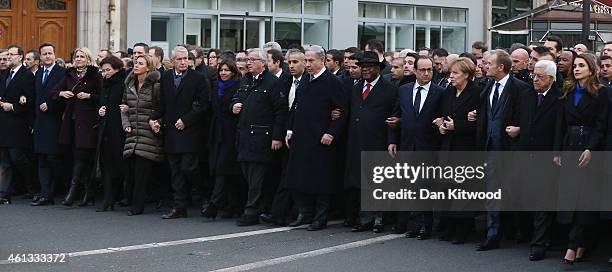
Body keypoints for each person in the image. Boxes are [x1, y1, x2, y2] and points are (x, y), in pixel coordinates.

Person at [470, 49, 530, 251]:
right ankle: (492, 233)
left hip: (510, 149)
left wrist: (520, 129)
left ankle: (518, 230)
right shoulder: (487, 87)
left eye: (489, 64)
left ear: (501, 67)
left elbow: (526, 117)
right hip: (490, 148)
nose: (485, 67)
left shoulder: (520, 88)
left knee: (514, 192)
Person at [285, 45, 348, 231]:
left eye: (311, 61)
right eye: (306, 61)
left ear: (322, 60)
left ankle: (320, 217)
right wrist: (290, 129)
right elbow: (295, 107)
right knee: (300, 178)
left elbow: (342, 111)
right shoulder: (305, 80)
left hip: (321, 140)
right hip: (302, 138)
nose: (308, 64)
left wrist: (331, 132)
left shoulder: (332, 82)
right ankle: (304, 213)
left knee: (321, 180)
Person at [553, 54, 608, 265]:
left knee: (585, 198)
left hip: (589, 146)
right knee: (571, 196)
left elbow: (602, 124)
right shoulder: (567, 91)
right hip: (570, 145)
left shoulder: (600, 92)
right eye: (575, 66)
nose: (576, 69)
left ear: (591, 69)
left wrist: (591, 148)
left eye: (581, 65)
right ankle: (582, 242)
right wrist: (558, 151)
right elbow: (561, 124)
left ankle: (573, 244)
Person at [149, 46, 210, 219]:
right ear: (173, 61)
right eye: (179, 59)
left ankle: (205, 195)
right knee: (175, 170)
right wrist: (153, 118)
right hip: (171, 131)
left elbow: (203, 104)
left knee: (189, 168)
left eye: (186, 59)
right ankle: (179, 206)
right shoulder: (166, 78)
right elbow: (163, 104)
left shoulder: (198, 78)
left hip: (190, 131)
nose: (183, 62)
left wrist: (186, 120)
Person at [511, 60, 562, 261]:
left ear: (551, 78)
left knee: (542, 202)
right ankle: (527, 234)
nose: (535, 79)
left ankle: (539, 244)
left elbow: (559, 128)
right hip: (525, 155)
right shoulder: (526, 96)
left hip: (546, 156)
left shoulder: (559, 98)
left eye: (540, 76)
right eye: (534, 75)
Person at [388, 55, 444, 239]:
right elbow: (394, 118)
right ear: (415, 71)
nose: (427, 73)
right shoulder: (403, 90)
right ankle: (412, 223)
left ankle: (425, 226)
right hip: (406, 144)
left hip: (428, 146)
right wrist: (392, 140)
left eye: (430, 70)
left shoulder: (439, 92)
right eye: (423, 70)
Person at [230, 48, 287, 226]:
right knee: (247, 174)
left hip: (261, 137)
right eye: (247, 60)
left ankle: (251, 211)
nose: (248, 63)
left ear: (263, 63)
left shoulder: (272, 83)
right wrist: (234, 106)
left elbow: (280, 111)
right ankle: (260, 206)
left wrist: (277, 137)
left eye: (252, 60)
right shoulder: (246, 80)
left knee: (256, 178)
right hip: (244, 136)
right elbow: (236, 98)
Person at [345, 51, 398, 233]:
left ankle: (378, 218)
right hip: (357, 141)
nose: (365, 70)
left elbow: (394, 116)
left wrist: (392, 139)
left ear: (378, 68)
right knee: (361, 181)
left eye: (369, 66)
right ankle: (365, 218)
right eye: (362, 67)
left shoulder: (390, 89)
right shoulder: (355, 87)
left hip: (378, 141)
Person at [435, 57, 481, 244]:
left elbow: (478, 124)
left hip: (466, 147)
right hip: (448, 145)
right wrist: (440, 124)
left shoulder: (477, 93)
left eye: (455, 73)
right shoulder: (448, 92)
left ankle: (463, 228)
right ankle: (450, 225)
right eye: (450, 73)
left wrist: (458, 126)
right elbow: (441, 114)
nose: (451, 77)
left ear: (467, 75)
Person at [259, 48, 307, 226]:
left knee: (296, 175)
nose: (291, 66)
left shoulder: (309, 82)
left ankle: (296, 212)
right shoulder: (286, 81)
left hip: (303, 136)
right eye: (289, 62)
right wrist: (279, 135)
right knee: (284, 175)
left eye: (295, 62)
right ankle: (278, 212)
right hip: (286, 135)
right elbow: (280, 110)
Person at [53, 47, 102, 207]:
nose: (78, 59)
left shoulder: (95, 74)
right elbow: (53, 91)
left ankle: (73, 192)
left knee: (82, 156)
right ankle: (87, 192)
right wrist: (62, 93)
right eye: (76, 56)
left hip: (88, 122)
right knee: (77, 157)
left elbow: (103, 96)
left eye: (81, 56)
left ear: (88, 58)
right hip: (72, 121)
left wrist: (89, 96)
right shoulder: (70, 73)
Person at [121, 55, 163, 216]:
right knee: (131, 171)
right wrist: (125, 124)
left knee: (142, 172)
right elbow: (123, 107)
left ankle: (137, 206)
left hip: (149, 133)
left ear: (148, 67)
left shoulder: (156, 86)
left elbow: (161, 108)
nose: (136, 66)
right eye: (135, 63)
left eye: (140, 63)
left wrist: (157, 121)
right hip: (132, 133)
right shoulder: (129, 84)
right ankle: (148, 198)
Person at [203, 60, 243, 219]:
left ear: (233, 72)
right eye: (221, 70)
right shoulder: (216, 87)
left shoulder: (237, 87)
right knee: (226, 171)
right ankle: (232, 205)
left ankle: (215, 204)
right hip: (216, 133)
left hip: (230, 132)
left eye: (227, 70)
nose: (223, 73)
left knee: (223, 168)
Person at [31, 43, 67, 206]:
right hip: (40, 122)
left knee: (53, 158)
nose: (47, 56)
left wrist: (51, 105)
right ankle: (45, 192)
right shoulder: (38, 73)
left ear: (54, 55)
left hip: (54, 121)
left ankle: (53, 191)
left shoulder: (62, 73)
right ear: (40, 57)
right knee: (42, 159)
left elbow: (65, 98)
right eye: (44, 54)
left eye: (50, 53)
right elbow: (37, 95)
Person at [0, 44, 36, 205]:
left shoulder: (27, 75)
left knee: (17, 158)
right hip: (4, 124)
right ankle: (4, 193)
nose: (8, 57)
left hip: (17, 125)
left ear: (20, 57)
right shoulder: (5, 73)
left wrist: (14, 106)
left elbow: (30, 100)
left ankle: (31, 185)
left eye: (11, 54)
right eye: (7, 54)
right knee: (5, 160)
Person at [95, 56, 127, 212]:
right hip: (106, 127)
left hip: (118, 128)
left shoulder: (122, 83)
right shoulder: (105, 84)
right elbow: (102, 101)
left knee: (117, 164)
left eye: (108, 70)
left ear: (117, 69)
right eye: (103, 70)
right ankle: (108, 199)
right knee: (105, 163)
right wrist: (100, 109)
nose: (105, 73)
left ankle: (118, 196)